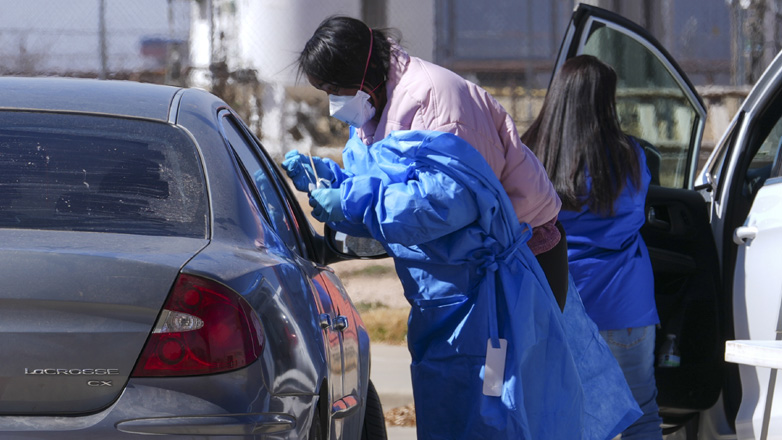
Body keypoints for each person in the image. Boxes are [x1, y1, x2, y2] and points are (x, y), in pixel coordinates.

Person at [298, 128, 641, 439]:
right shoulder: (464, 136)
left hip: (487, 312)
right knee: (507, 398)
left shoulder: (449, 144)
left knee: (497, 401)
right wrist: (348, 189)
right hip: (494, 302)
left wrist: (352, 198)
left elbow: (428, 209)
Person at [288, 15, 570, 310]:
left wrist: (351, 201)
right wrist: (334, 181)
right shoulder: (372, 106)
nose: (332, 102)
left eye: (333, 91)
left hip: (517, 250)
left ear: (358, 75)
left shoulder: (434, 100)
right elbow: (384, 183)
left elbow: (447, 202)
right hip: (462, 258)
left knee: (506, 355)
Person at [521, 55, 662, 439]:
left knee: (558, 418)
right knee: (641, 414)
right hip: (624, 306)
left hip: (553, 305)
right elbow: (635, 217)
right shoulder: (631, 155)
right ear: (606, 101)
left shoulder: (530, 155)